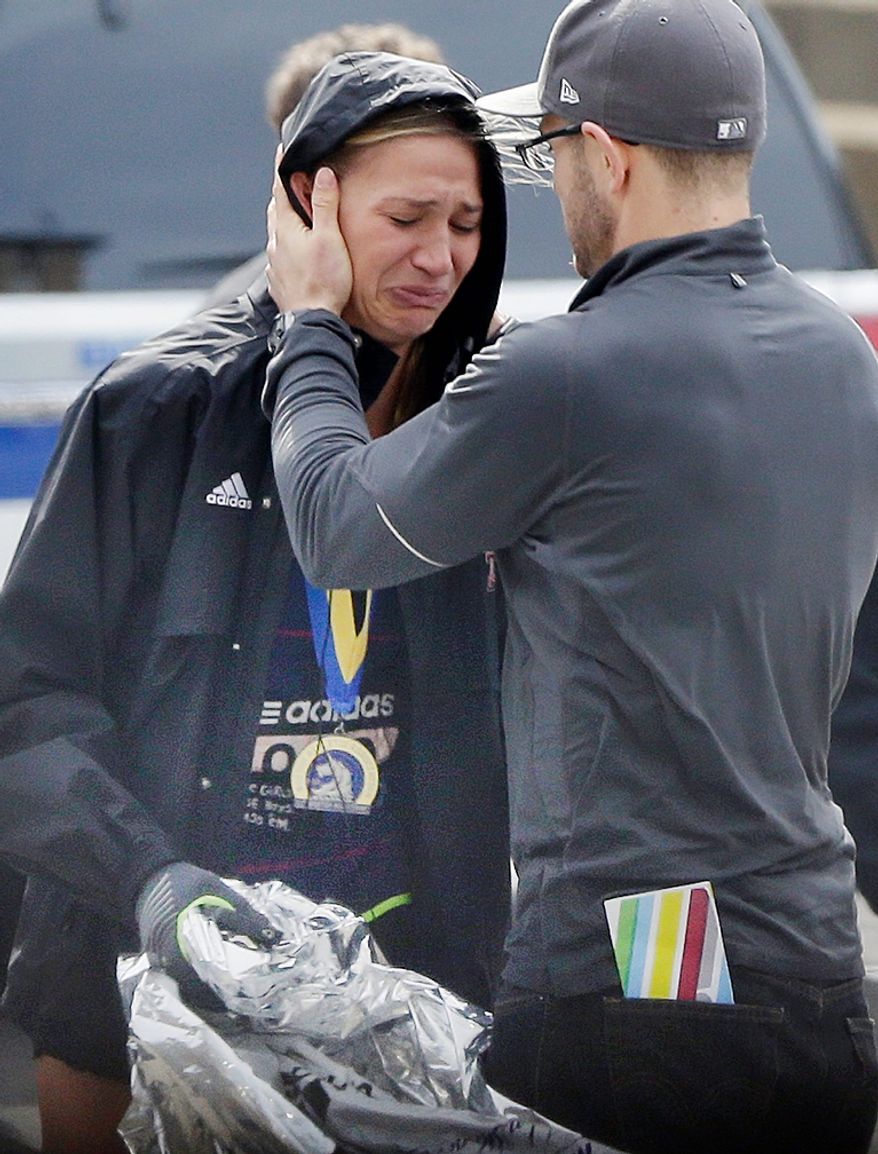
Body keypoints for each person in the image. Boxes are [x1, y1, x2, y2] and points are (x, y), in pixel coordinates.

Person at [262, 2, 878, 1151]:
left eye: (548, 157)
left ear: (607, 155)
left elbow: (337, 525)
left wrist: (306, 324)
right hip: (817, 969)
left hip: (630, 989)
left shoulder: (567, 371)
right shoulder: (841, 356)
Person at [0, 53, 510, 1154]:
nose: (439, 256)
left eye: (467, 221)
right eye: (407, 215)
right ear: (304, 202)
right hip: (136, 997)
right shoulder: (157, 410)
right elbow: (23, 705)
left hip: (404, 1012)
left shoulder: (484, 421)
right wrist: (147, 878)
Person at [203, 21, 446, 307]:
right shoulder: (234, 335)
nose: (438, 262)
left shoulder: (472, 323)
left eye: (464, 224)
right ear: (306, 189)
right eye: (403, 217)